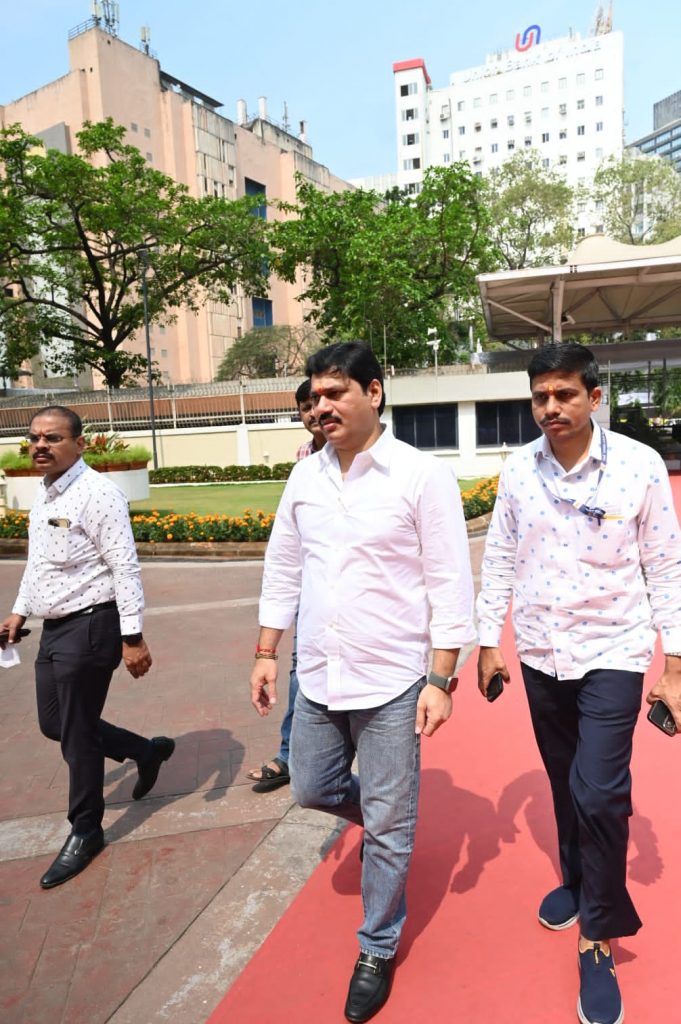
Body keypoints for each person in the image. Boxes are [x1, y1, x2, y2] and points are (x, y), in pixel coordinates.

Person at [249, 341, 476, 1022]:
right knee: (312, 787)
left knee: (388, 820)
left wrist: (441, 680)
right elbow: (283, 566)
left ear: (373, 393)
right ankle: (386, 826)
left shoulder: (420, 476)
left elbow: (449, 582)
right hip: (319, 675)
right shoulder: (305, 478)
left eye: (334, 393)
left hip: (393, 681)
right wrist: (267, 651)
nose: (321, 406)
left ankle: (377, 944)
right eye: (314, 396)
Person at [477, 342, 681, 1024]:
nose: (550, 407)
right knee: (565, 781)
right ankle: (575, 878)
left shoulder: (638, 467)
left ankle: (597, 934)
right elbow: (499, 557)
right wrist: (488, 642)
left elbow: (666, 567)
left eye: (563, 394)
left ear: (594, 397)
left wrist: (675, 665)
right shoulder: (518, 471)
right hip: (541, 651)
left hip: (615, 650)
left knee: (599, 791)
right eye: (540, 396)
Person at [0, 406, 175, 890]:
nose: (40, 445)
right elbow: (39, 563)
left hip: (93, 625)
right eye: (34, 438)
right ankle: (145, 751)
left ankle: (85, 830)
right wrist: (19, 611)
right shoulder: (44, 492)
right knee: (54, 723)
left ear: (80, 444)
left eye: (53, 438)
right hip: (55, 628)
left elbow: (125, 566)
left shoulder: (98, 494)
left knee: (77, 735)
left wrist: (132, 637)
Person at [246, 378, 326, 791]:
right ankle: (291, 754)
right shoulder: (303, 461)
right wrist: (265, 651)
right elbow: (286, 552)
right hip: (311, 594)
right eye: (306, 406)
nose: (315, 412)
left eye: (320, 401)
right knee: (300, 673)